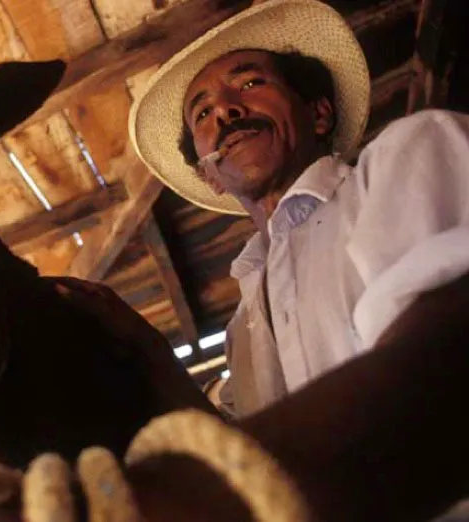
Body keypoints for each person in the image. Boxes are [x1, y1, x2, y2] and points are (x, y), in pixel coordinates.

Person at [129, 0, 469, 417]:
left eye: (251, 84)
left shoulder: (411, 155)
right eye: (202, 112)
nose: (224, 110)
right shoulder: (241, 333)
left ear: (318, 113)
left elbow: (444, 354)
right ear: (210, 177)